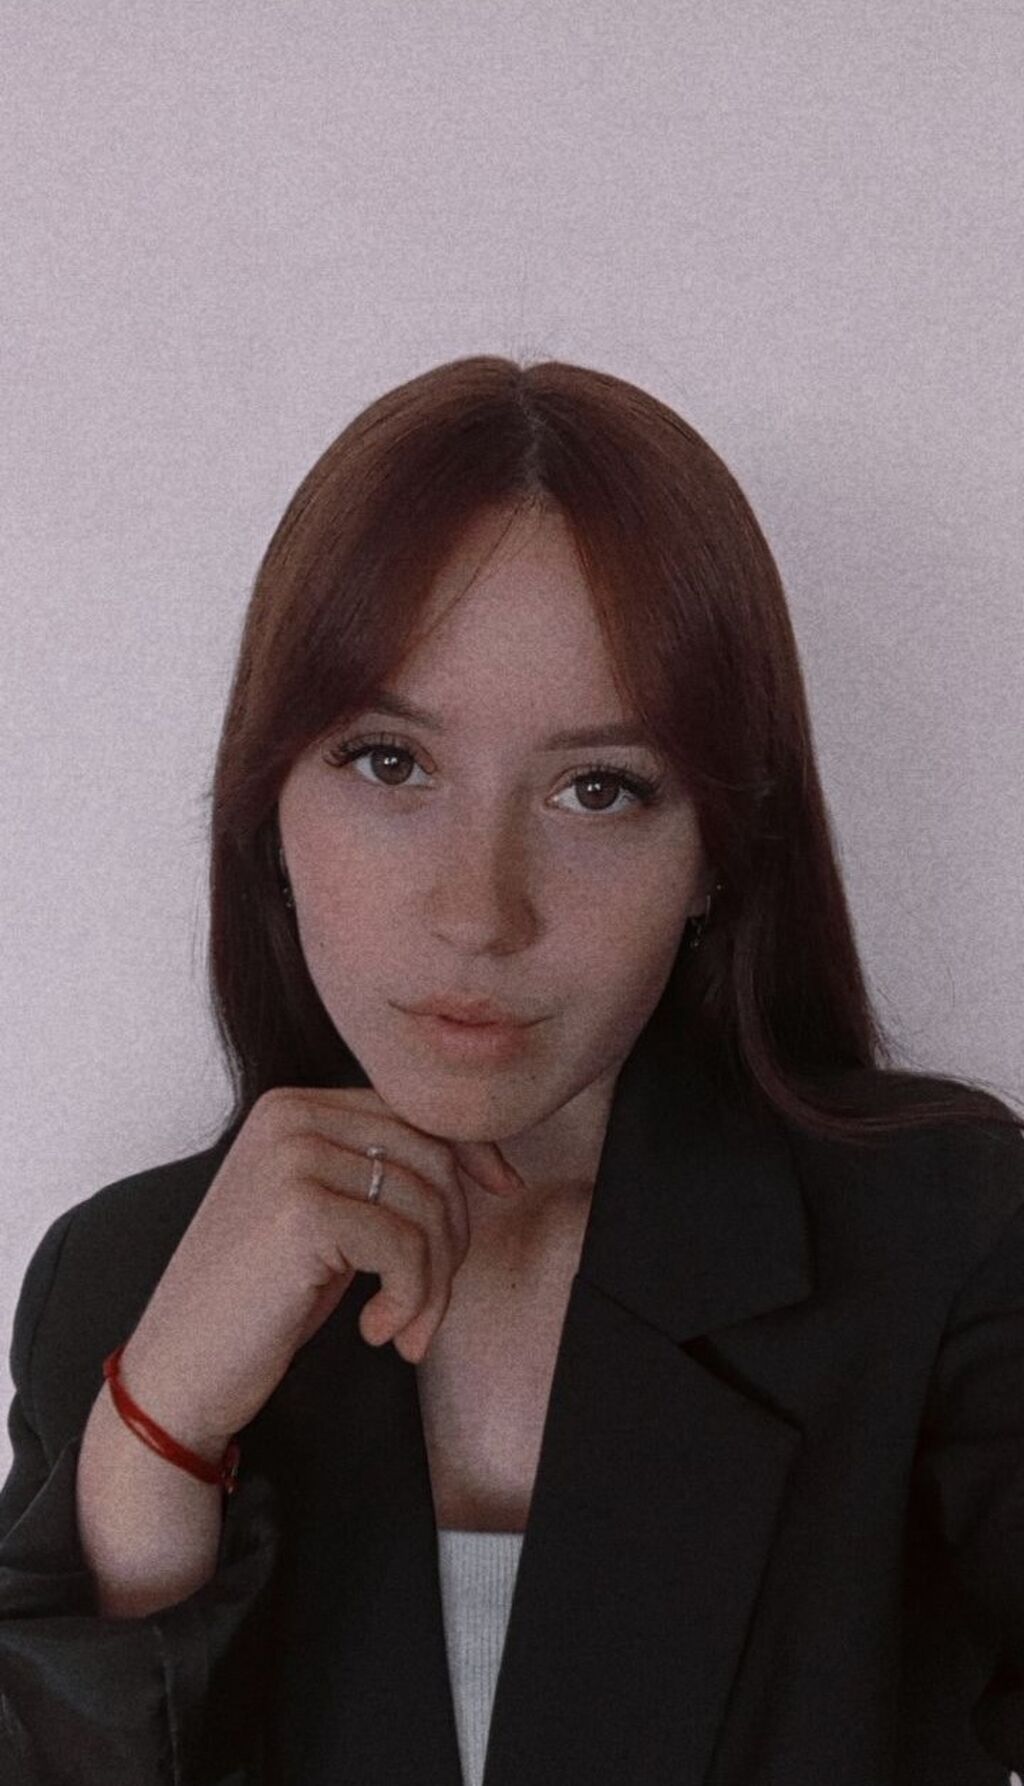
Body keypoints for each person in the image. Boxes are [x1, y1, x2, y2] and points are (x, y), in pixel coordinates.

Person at [0, 355, 1021, 1786]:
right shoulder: (120, 1287)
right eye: (388, 763)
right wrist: (148, 1448)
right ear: (266, 802)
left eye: (599, 788)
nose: (480, 911)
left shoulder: (946, 1243)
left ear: (718, 851)